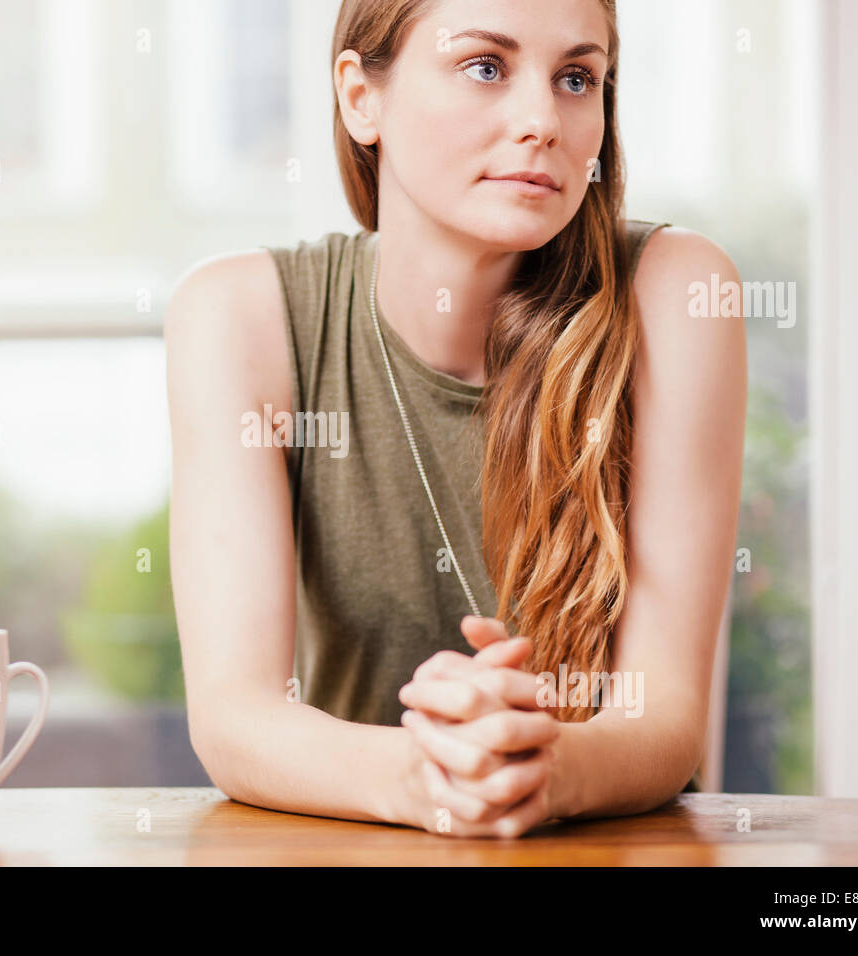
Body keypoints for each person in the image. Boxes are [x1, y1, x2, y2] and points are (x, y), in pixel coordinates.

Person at [165, 0, 746, 838]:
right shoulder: (240, 317)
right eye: (485, 66)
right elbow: (234, 717)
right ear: (361, 97)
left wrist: (540, 763)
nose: (543, 120)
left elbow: (665, 719)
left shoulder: (677, 293)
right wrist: (426, 775)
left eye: (577, 77)